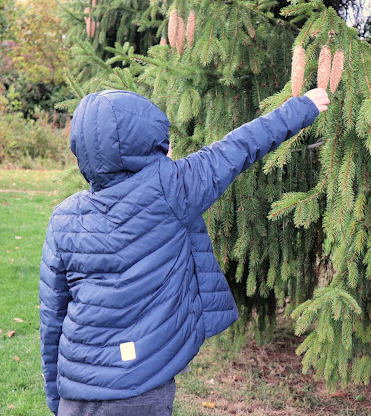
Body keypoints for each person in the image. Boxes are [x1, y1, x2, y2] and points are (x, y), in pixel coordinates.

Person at [39, 88, 330, 416]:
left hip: (76, 391)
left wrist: (56, 395)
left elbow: (52, 316)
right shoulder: (174, 187)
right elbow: (240, 146)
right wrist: (302, 108)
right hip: (141, 386)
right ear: (146, 146)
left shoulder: (63, 217)